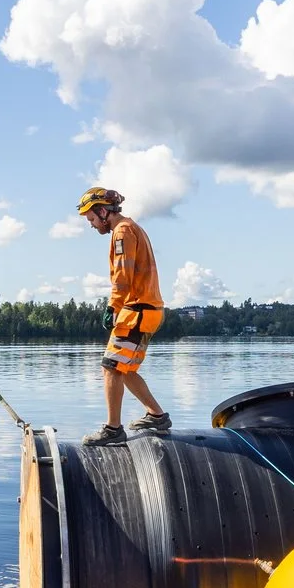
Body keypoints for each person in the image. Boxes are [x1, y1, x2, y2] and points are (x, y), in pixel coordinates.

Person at [76, 186, 171, 445]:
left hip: (136, 311)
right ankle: (157, 416)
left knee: (110, 367)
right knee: (125, 369)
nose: (92, 225)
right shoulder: (132, 228)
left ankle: (113, 430)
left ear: (104, 212)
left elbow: (122, 275)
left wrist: (112, 307)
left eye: (92, 219)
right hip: (148, 311)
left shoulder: (122, 232)